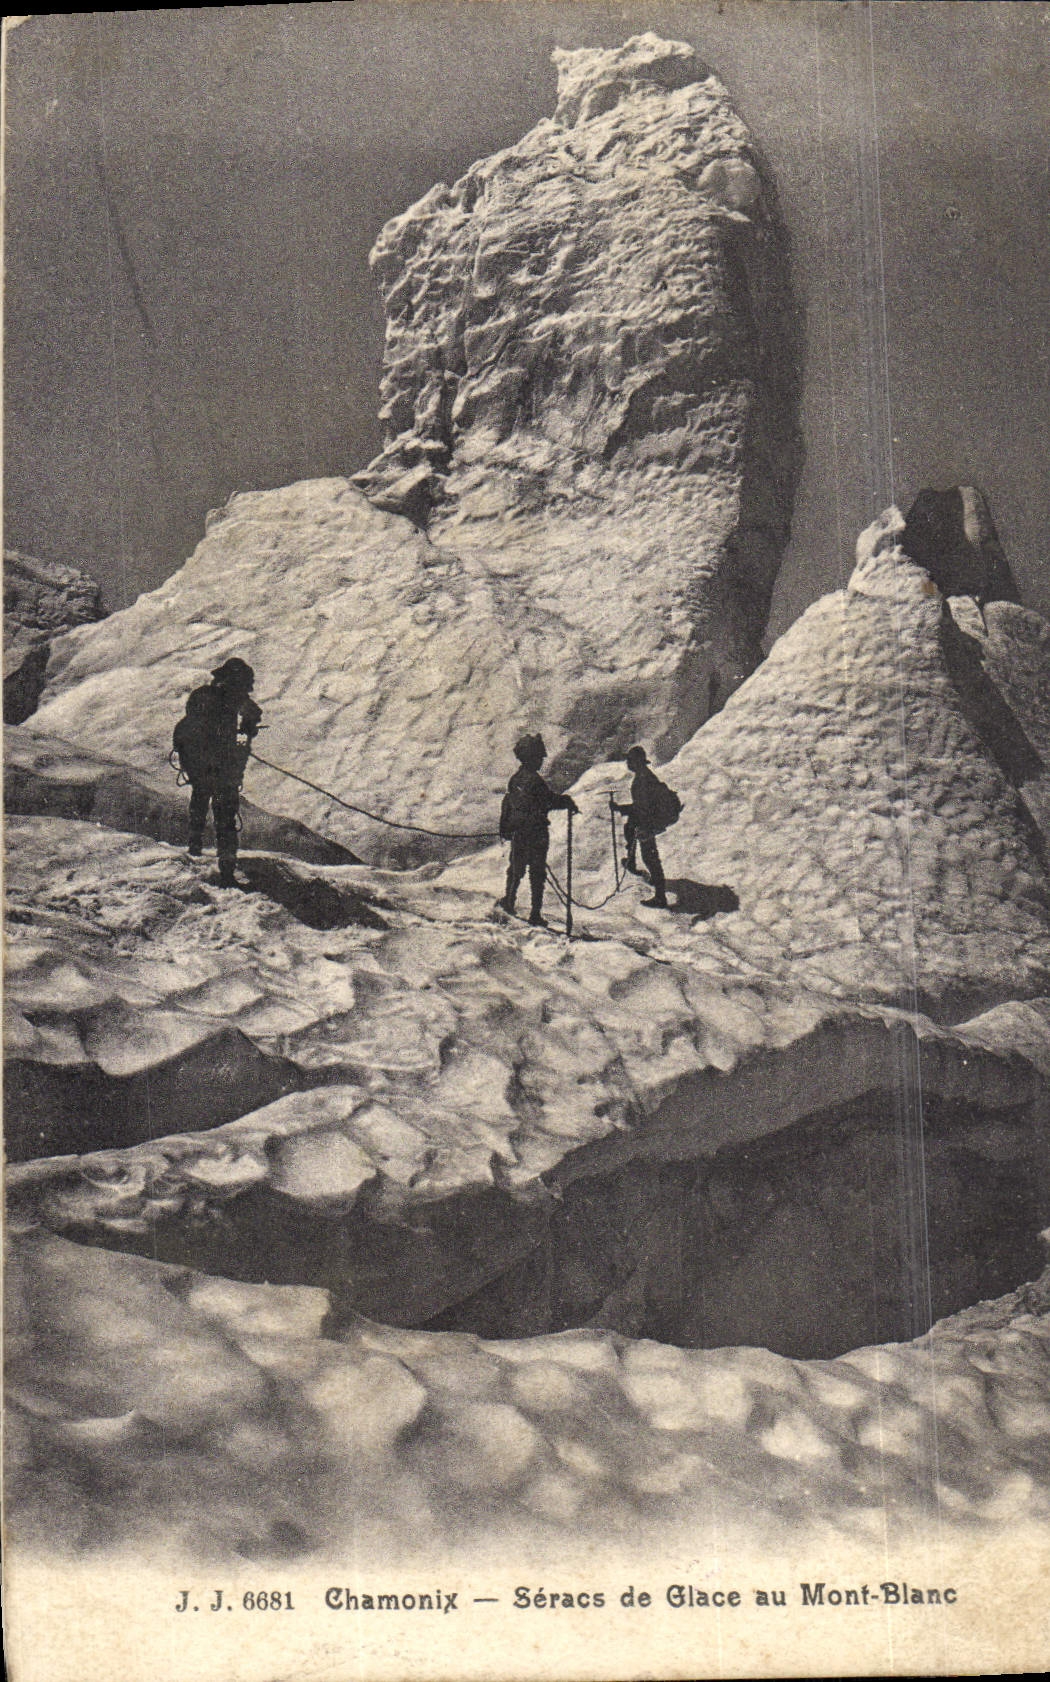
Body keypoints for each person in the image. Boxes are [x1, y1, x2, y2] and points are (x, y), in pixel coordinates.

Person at [173, 656, 262, 887]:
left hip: (199, 765)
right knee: (225, 817)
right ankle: (226, 870)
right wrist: (247, 731)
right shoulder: (234, 699)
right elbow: (252, 714)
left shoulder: (201, 696)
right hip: (223, 767)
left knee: (200, 801)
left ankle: (194, 848)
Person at [499, 733, 579, 927]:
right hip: (536, 834)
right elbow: (548, 801)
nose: (541, 761)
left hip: (519, 833)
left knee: (516, 869)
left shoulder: (516, 779)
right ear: (531, 758)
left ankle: (509, 901)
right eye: (539, 758)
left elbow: (510, 803)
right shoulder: (535, 781)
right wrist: (566, 801)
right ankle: (535, 914)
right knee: (536, 872)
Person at [615, 745, 669, 909]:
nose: (627, 763)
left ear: (636, 762)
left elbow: (642, 807)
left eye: (629, 760)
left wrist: (622, 809)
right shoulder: (644, 776)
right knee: (646, 850)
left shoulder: (643, 780)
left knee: (650, 857)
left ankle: (660, 897)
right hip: (646, 821)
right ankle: (632, 863)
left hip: (647, 823)